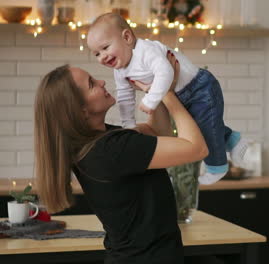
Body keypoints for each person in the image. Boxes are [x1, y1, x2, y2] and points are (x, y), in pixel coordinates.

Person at [34, 52, 208, 263]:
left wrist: (159, 88)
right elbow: (196, 148)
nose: (101, 81)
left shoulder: (100, 142)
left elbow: (158, 133)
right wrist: (167, 92)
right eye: (91, 84)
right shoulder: (111, 149)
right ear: (81, 111)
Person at [86, 12, 248, 185]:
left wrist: (151, 99)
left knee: (206, 127)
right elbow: (125, 98)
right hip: (181, 94)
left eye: (105, 48)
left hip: (199, 87)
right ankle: (232, 140)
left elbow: (166, 71)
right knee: (204, 126)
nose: (102, 56)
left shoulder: (145, 51)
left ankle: (217, 167)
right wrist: (129, 125)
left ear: (126, 37)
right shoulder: (120, 71)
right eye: (96, 54)